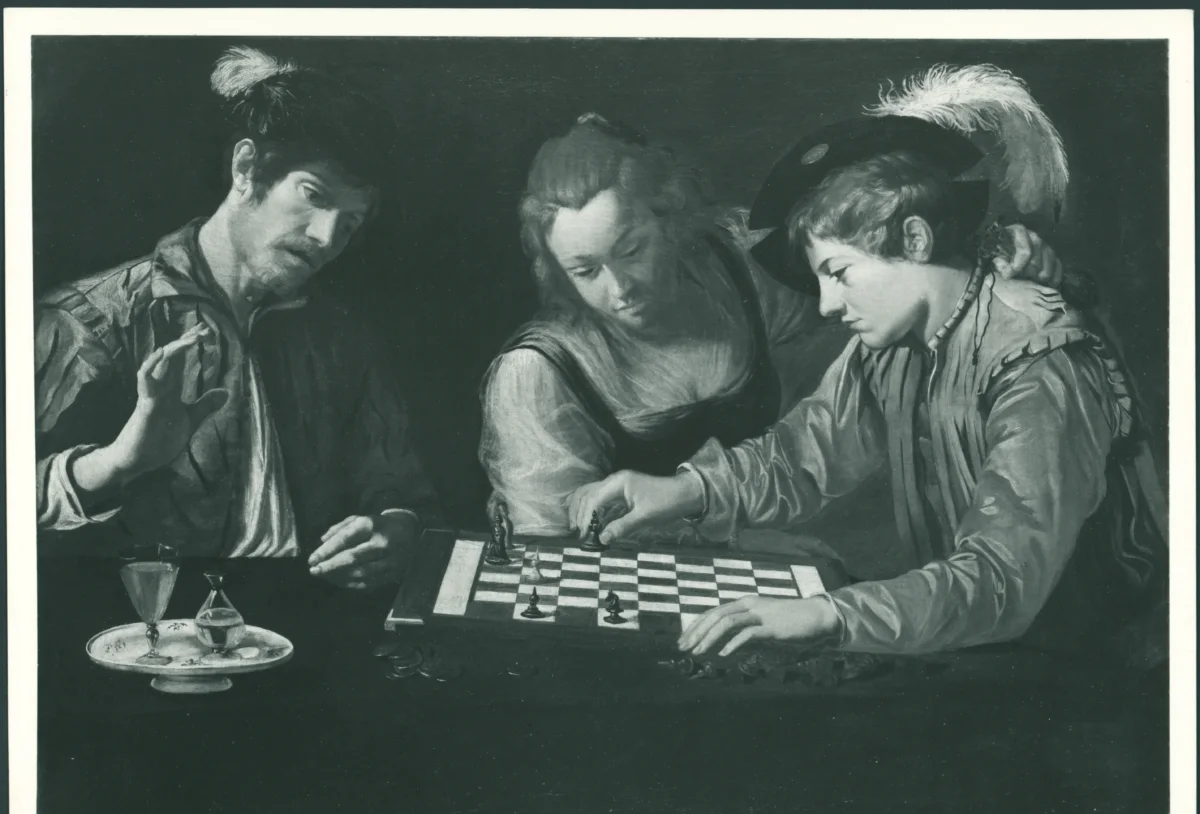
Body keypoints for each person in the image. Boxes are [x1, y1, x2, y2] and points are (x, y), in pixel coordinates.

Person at [566, 64, 1167, 667]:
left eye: (839, 273)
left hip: (1092, 672)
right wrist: (684, 490)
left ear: (914, 240)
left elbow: (1001, 581)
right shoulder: (893, 347)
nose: (827, 305)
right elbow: (805, 454)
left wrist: (828, 613)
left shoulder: (1041, 362)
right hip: (974, 651)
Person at [479, 112, 1065, 551]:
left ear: (669, 220)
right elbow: (547, 555)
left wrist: (987, 253)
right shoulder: (535, 375)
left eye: (631, 250)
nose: (619, 287)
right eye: (585, 271)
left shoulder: (734, 265)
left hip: (762, 559)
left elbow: (881, 269)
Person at [35, 46, 439, 590]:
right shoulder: (88, 319)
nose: (326, 239)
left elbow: (399, 487)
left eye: (349, 224)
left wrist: (397, 528)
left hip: (311, 612)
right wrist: (120, 461)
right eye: (313, 195)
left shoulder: (340, 336)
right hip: (155, 619)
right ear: (245, 168)